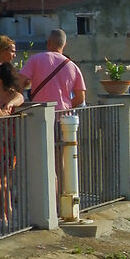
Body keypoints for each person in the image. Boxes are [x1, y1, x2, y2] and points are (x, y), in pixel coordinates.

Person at [19, 26, 87, 210]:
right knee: (60, 163)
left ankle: (41, 203)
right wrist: (65, 107)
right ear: (64, 45)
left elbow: (20, 82)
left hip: (38, 118)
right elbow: (80, 98)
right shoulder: (72, 66)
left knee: (38, 159)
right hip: (63, 121)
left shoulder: (36, 59)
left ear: (49, 43)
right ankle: (60, 204)